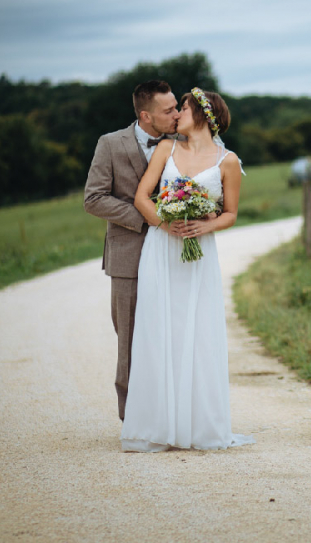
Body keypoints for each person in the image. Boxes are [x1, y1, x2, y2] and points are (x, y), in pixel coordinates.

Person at [120, 87, 254, 452]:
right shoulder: (166, 149)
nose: (178, 112)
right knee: (159, 329)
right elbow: (141, 197)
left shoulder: (228, 161)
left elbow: (229, 213)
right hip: (162, 250)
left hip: (199, 257)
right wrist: (167, 224)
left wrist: (203, 226)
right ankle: (159, 425)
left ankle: (198, 426)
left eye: (185, 107)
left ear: (205, 115)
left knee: (198, 332)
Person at [83, 80, 185, 421]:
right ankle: (133, 422)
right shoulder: (110, 144)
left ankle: (172, 415)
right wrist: (148, 217)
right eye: (168, 110)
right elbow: (93, 199)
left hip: (174, 254)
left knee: (173, 335)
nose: (177, 114)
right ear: (145, 115)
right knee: (128, 339)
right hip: (128, 257)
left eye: (176, 107)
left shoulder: (184, 143)